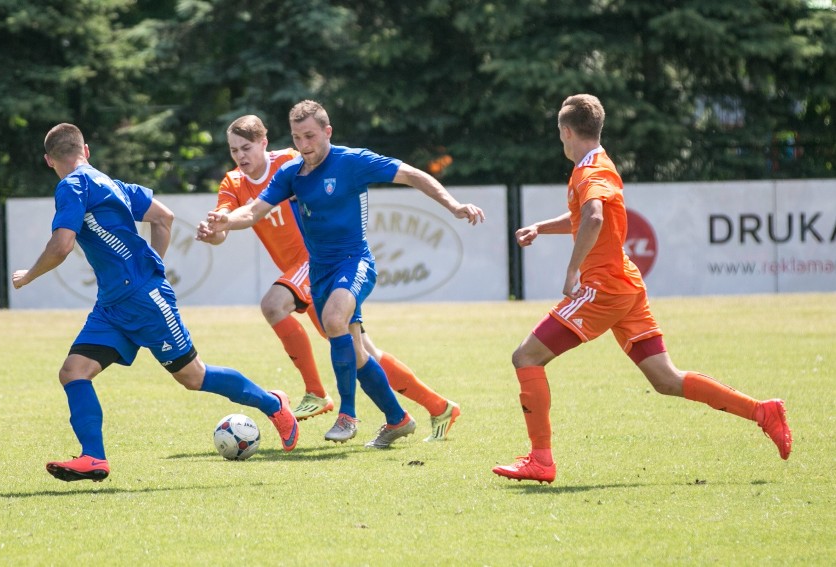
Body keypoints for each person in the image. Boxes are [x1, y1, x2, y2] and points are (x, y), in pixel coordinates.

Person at [492, 94, 793, 484]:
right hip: (625, 283)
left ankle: (541, 460)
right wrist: (542, 227)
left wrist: (571, 272)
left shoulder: (589, 172)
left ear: (566, 131)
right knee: (666, 379)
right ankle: (763, 411)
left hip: (603, 288)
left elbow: (594, 216)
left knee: (526, 357)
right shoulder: (598, 164)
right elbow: (585, 213)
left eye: (560, 134)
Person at [12, 123, 299, 483]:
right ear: (86, 150)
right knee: (73, 372)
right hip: (114, 304)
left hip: (143, 301)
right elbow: (164, 217)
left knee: (193, 377)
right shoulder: (110, 183)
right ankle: (94, 458)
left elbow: (62, 245)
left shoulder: (70, 185)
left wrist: (28, 276)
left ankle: (274, 404)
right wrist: (154, 266)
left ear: (48, 160)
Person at [204, 100, 484, 448]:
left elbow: (412, 174)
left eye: (310, 136)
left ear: (327, 132)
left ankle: (340, 410)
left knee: (310, 313)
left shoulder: (349, 161)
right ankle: (411, 415)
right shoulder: (290, 174)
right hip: (320, 271)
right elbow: (252, 212)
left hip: (351, 261)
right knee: (360, 352)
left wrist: (454, 205)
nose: (304, 145)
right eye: (297, 137)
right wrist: (223, 221)